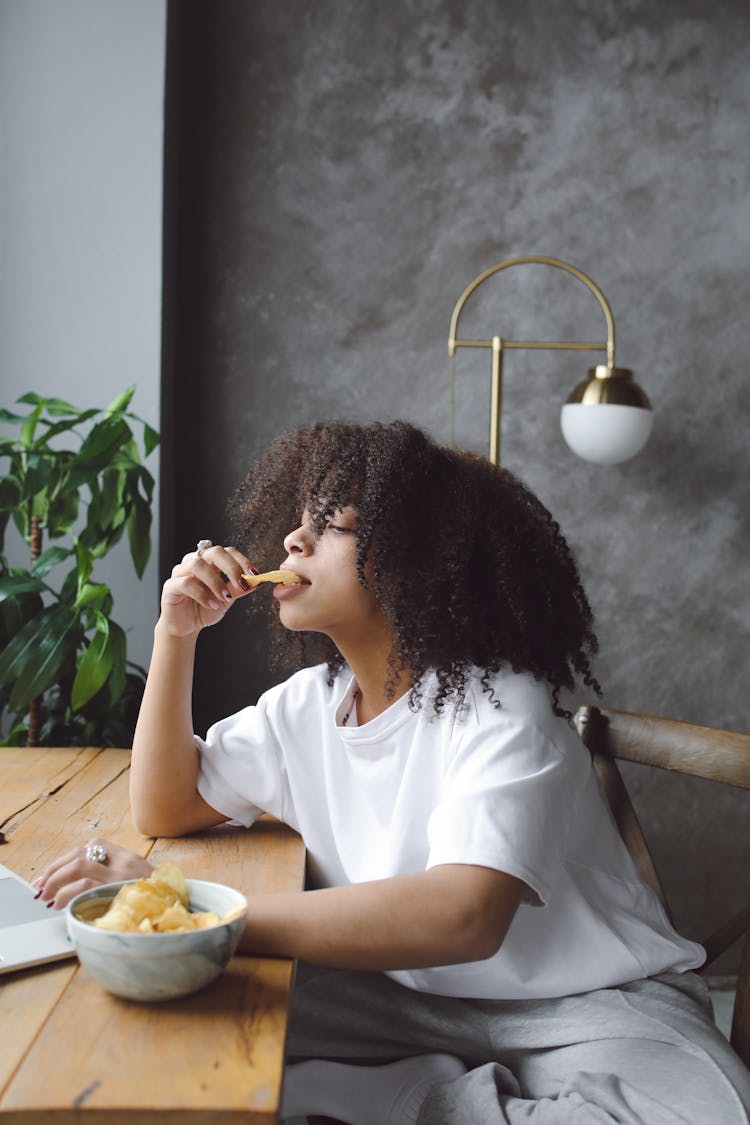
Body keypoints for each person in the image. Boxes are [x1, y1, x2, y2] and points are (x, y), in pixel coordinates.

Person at [36, 421, 750, 1125]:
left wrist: (194, 907)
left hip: (588, 1006)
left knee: (708, 1112)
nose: (292, 541)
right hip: (399, 1002)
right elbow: (168, 804)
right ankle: (438, 1093)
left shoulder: (502, 703)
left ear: (419, 559)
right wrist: (175, 634)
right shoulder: (305, 708)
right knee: (186, 1033)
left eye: (335, 525)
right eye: (299, 521)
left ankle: (397, 1098)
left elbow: (463, 915)